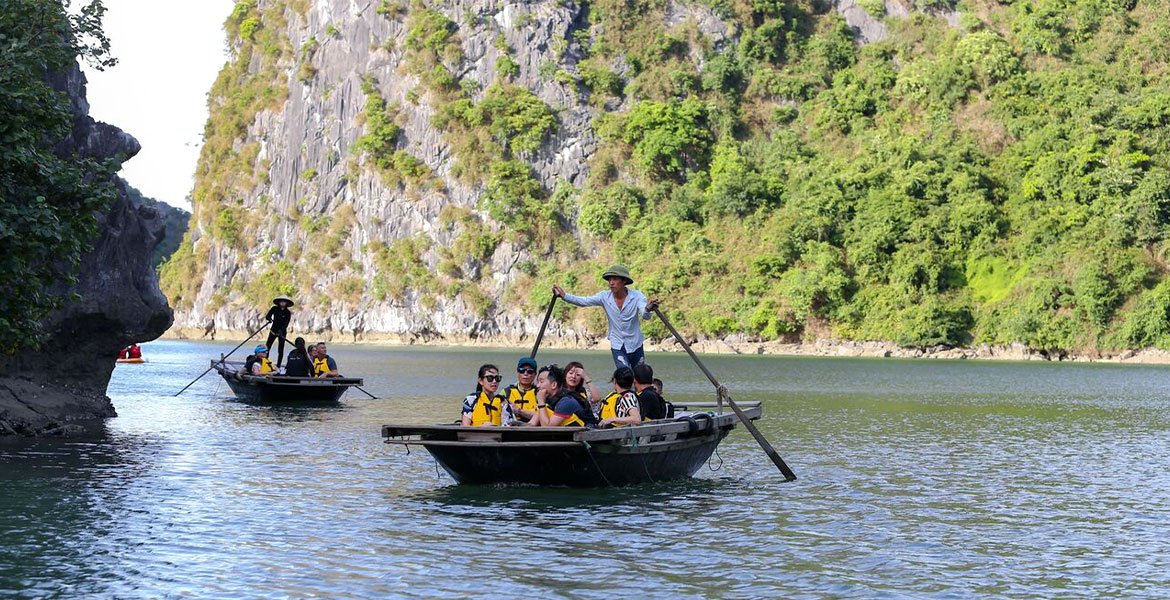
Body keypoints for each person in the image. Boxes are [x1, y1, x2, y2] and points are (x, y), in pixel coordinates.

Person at [553, 264, 659, 370]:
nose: (611, 283)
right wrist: (565, 296)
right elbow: (584, 301)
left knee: (641, 376)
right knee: (624, 374)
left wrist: (648, 308)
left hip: (635, 344)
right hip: (618, 345)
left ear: (624, 281)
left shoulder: (637, 296)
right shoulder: (604, 297)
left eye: (615, 279)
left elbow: (646, 315)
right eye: (609, 280)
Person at [525, 364, 597, 427]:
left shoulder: (566, 401)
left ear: (554, 385)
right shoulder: (547, 400)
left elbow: (547, 427)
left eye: (541, 381)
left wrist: (541, 403)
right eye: (537, 381)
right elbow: (531, 424)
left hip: (586, 438)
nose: (537, 385)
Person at [501, 357, 540, 424]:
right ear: (517, 372)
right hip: (510, 430)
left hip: (533, 429)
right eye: (522, 370)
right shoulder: (506, 392)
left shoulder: (539, 393)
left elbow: (543, 415)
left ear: (535, 374)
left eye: (530, 371)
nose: (525, 374)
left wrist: (519, 411)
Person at [265, 295, 294, 369]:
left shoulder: (288, 312)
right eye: (281, 301)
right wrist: (269, 319)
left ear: (286, 303)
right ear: (279, 302)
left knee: (280, 349)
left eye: (284, 301)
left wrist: (280, 331)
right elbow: (268, 316)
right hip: (273, 330)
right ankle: (265, 362)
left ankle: (278, 365)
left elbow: (286, 324)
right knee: (268, 346)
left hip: (282, 332)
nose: (283, 303)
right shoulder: (274, 308)